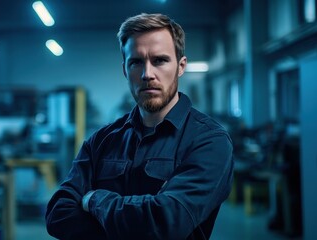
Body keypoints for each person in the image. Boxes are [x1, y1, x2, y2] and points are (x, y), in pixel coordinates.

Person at [45, 13, 234, 240]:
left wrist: (95, 199)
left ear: (181, 66)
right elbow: (58, 215)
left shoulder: (209, 141)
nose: (147, 74)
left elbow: (166, 223)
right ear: (125, 69)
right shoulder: (102, 140)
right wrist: (138, 222)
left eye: (159, 60)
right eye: (136, 62)